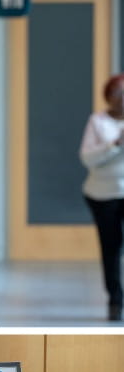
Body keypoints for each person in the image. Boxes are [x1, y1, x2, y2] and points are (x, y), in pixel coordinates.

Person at [80, 73, 124, 321]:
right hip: (103, 195)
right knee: (111, 247)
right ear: (108, 97)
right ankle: (115, 300)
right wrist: (115, 145)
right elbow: (88, 159)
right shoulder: (97, 122)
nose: (122, 98)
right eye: (117, 92)